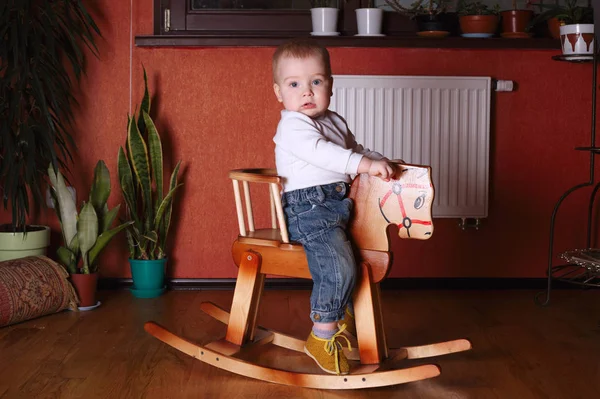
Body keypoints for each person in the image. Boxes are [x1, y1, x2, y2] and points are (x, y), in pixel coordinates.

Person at [272, 39, 396, 375]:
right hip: (307, 211)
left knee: (358, 258)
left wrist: (377, 160)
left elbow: (354, 148)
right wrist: (362, 166)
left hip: (337, 207)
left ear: (330, 85)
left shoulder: (335, 120)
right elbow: (323, 154)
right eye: (294, 84)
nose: (306, 92)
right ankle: (322, 334)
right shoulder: (293, 125)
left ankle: (345, 313)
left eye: (316, 81)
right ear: (279, 93)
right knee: (339, 266)